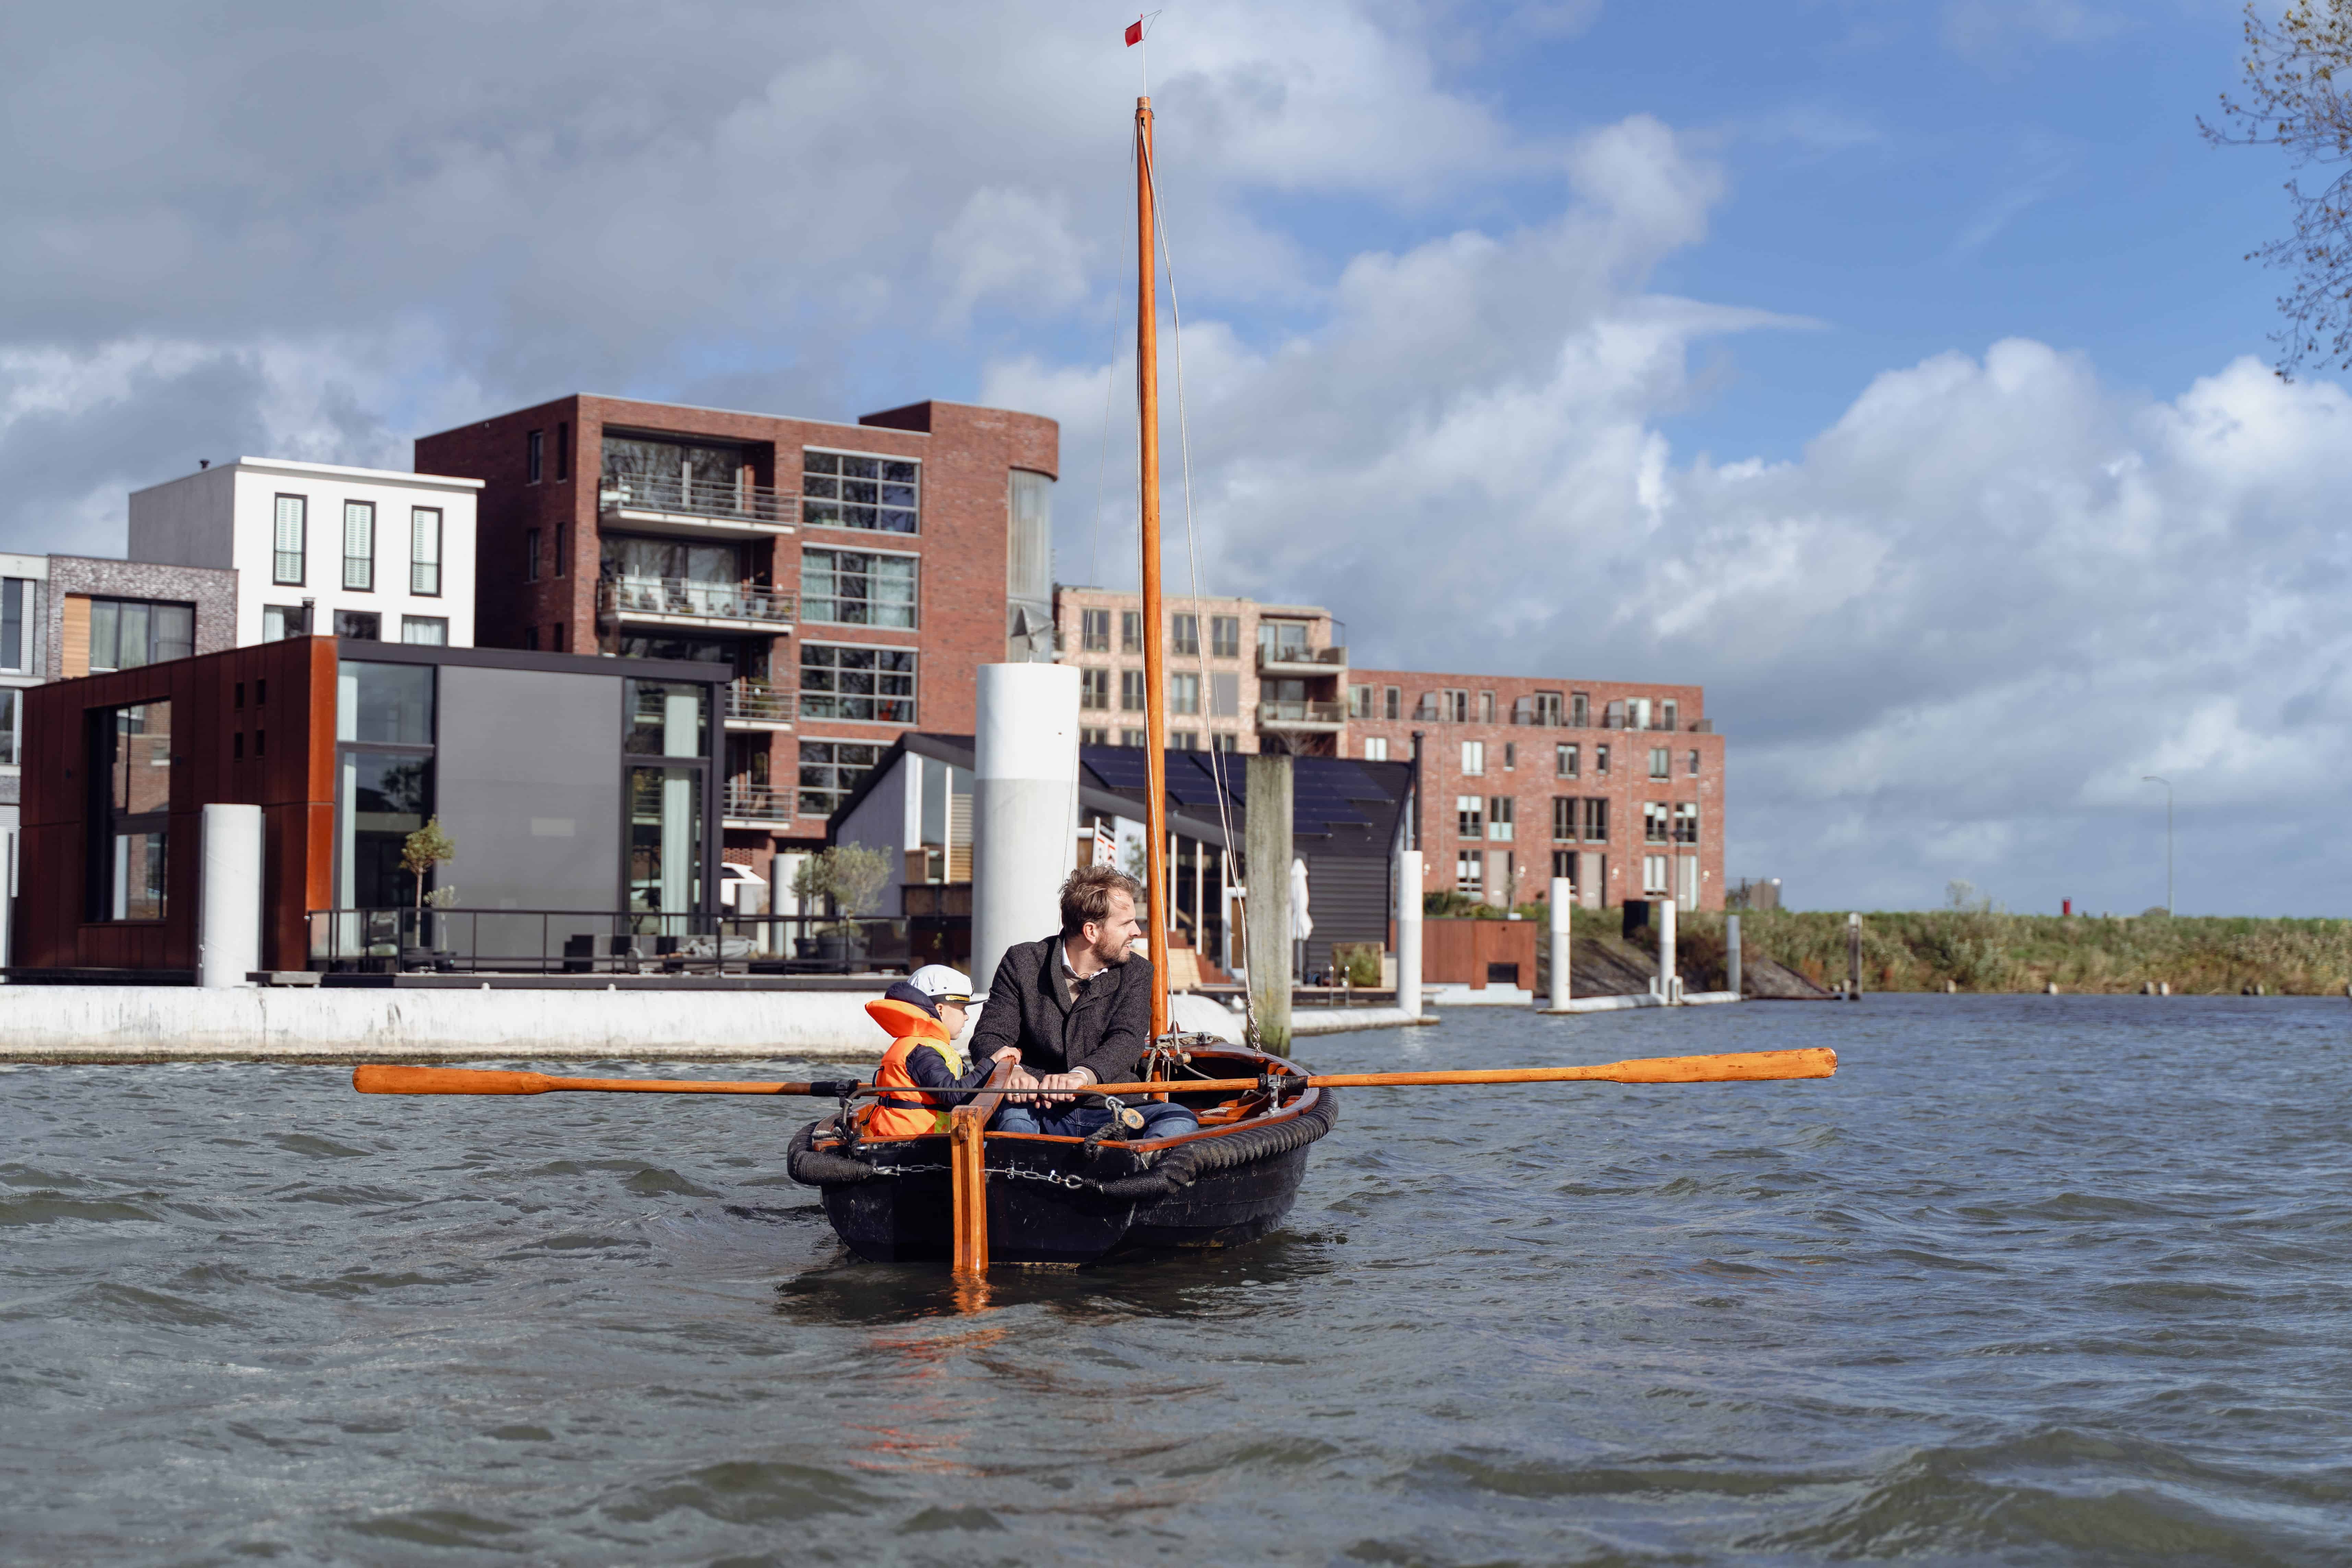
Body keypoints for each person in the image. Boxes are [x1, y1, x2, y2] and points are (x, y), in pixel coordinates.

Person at [967, 865, 1200, 1141]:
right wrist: (1012, 1071)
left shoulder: (1138, 972)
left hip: (1110, 1106)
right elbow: (989, 1036)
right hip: (1035, 1109)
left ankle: (1136, 1180)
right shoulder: (1022, 962)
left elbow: (1126, 1040)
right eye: (1126, 923)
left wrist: (1082, 1075)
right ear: (1092, 930)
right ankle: (1024, 1181)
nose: (1137, 931)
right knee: (1015, 1127)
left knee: (1179, 1119)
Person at [863, 964, 1020, 1138]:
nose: (967, 1016)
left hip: (914, 1138)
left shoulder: (920, 1044)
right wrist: (991, 1063)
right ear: (940, 1010)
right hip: (913, 1143)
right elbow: (955, 1096)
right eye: (962, 1009)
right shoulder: (923, 1052)